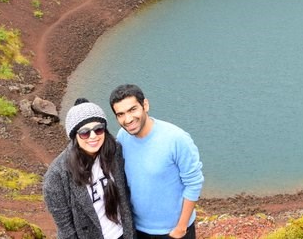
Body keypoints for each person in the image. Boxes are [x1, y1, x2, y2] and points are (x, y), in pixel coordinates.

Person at [109, 84, 204, 239]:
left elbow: (194, 182)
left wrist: (181, 228)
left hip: (174, 232)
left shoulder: (176, 139)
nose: (128, 119)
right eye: (121, 114)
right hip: (138, 230)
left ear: (145, 105)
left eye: (133, 109)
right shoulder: (122, 137)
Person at [43, 98, 135, 239]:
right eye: (85, 132)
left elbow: (125, 201)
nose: (93, 136)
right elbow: (66, 230)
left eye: (98, 129)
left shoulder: (114, 151)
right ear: (74, 136)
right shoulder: (57, 176)